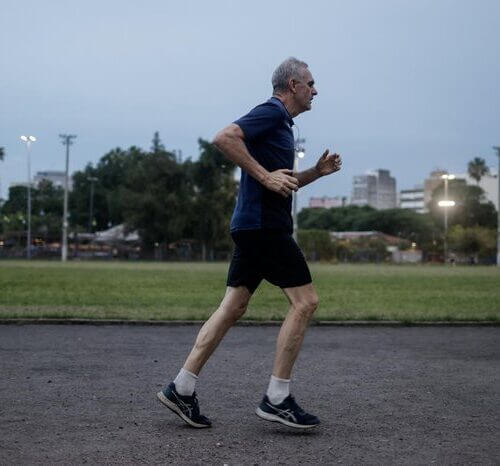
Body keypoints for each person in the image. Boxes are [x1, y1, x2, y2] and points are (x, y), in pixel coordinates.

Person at [157, 57, 342, 429]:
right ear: (293, 85)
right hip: (264, 228)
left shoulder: (282, 125)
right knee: (306, 302)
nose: (315, 90)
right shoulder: (271, 112)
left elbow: (281, 182)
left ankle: (182, 387)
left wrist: (314, 174)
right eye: (311, 83)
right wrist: (263, 176)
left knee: (233, 306)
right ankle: (277, 398)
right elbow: (224, 137)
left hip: (252, 226)